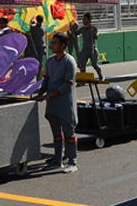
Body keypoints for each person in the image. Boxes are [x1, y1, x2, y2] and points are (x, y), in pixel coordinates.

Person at [36, 32, 78, 173]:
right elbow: (47, 80)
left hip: (65, 104)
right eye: (52, 42)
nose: (51, 45)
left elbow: (68, 84)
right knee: (56, 134)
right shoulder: (50, 61)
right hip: (52, 104)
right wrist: (40, 93)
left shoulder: (69, 61)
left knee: (69, 134)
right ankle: (57, 159)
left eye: (54, 43)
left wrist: (51, 94)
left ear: (63, 45)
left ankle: (72, 161)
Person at [76, 12, 104, 80]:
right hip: (85, 49)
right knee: (82, 65)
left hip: (93, 49)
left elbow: (96, 37)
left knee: (94, 65)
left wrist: (93, 32)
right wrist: (71, 30)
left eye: (84, 19)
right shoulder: (82, 29)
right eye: (83, 19)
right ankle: (83, 80)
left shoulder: (94, 28)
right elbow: (76, 33)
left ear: (89, 20)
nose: (83, 20)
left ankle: (100, 75)